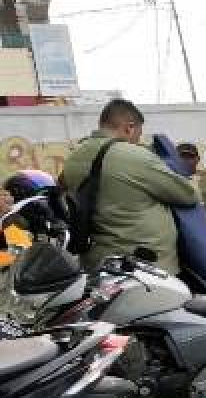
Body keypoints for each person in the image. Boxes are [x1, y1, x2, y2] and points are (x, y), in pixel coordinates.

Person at [61, 99, 198, 276]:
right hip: (145, 268)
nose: (137, 140)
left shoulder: (74, 158)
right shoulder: (134, 156)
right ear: (129, 128)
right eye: (138, 135)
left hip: (97, 264)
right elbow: (188, 195)